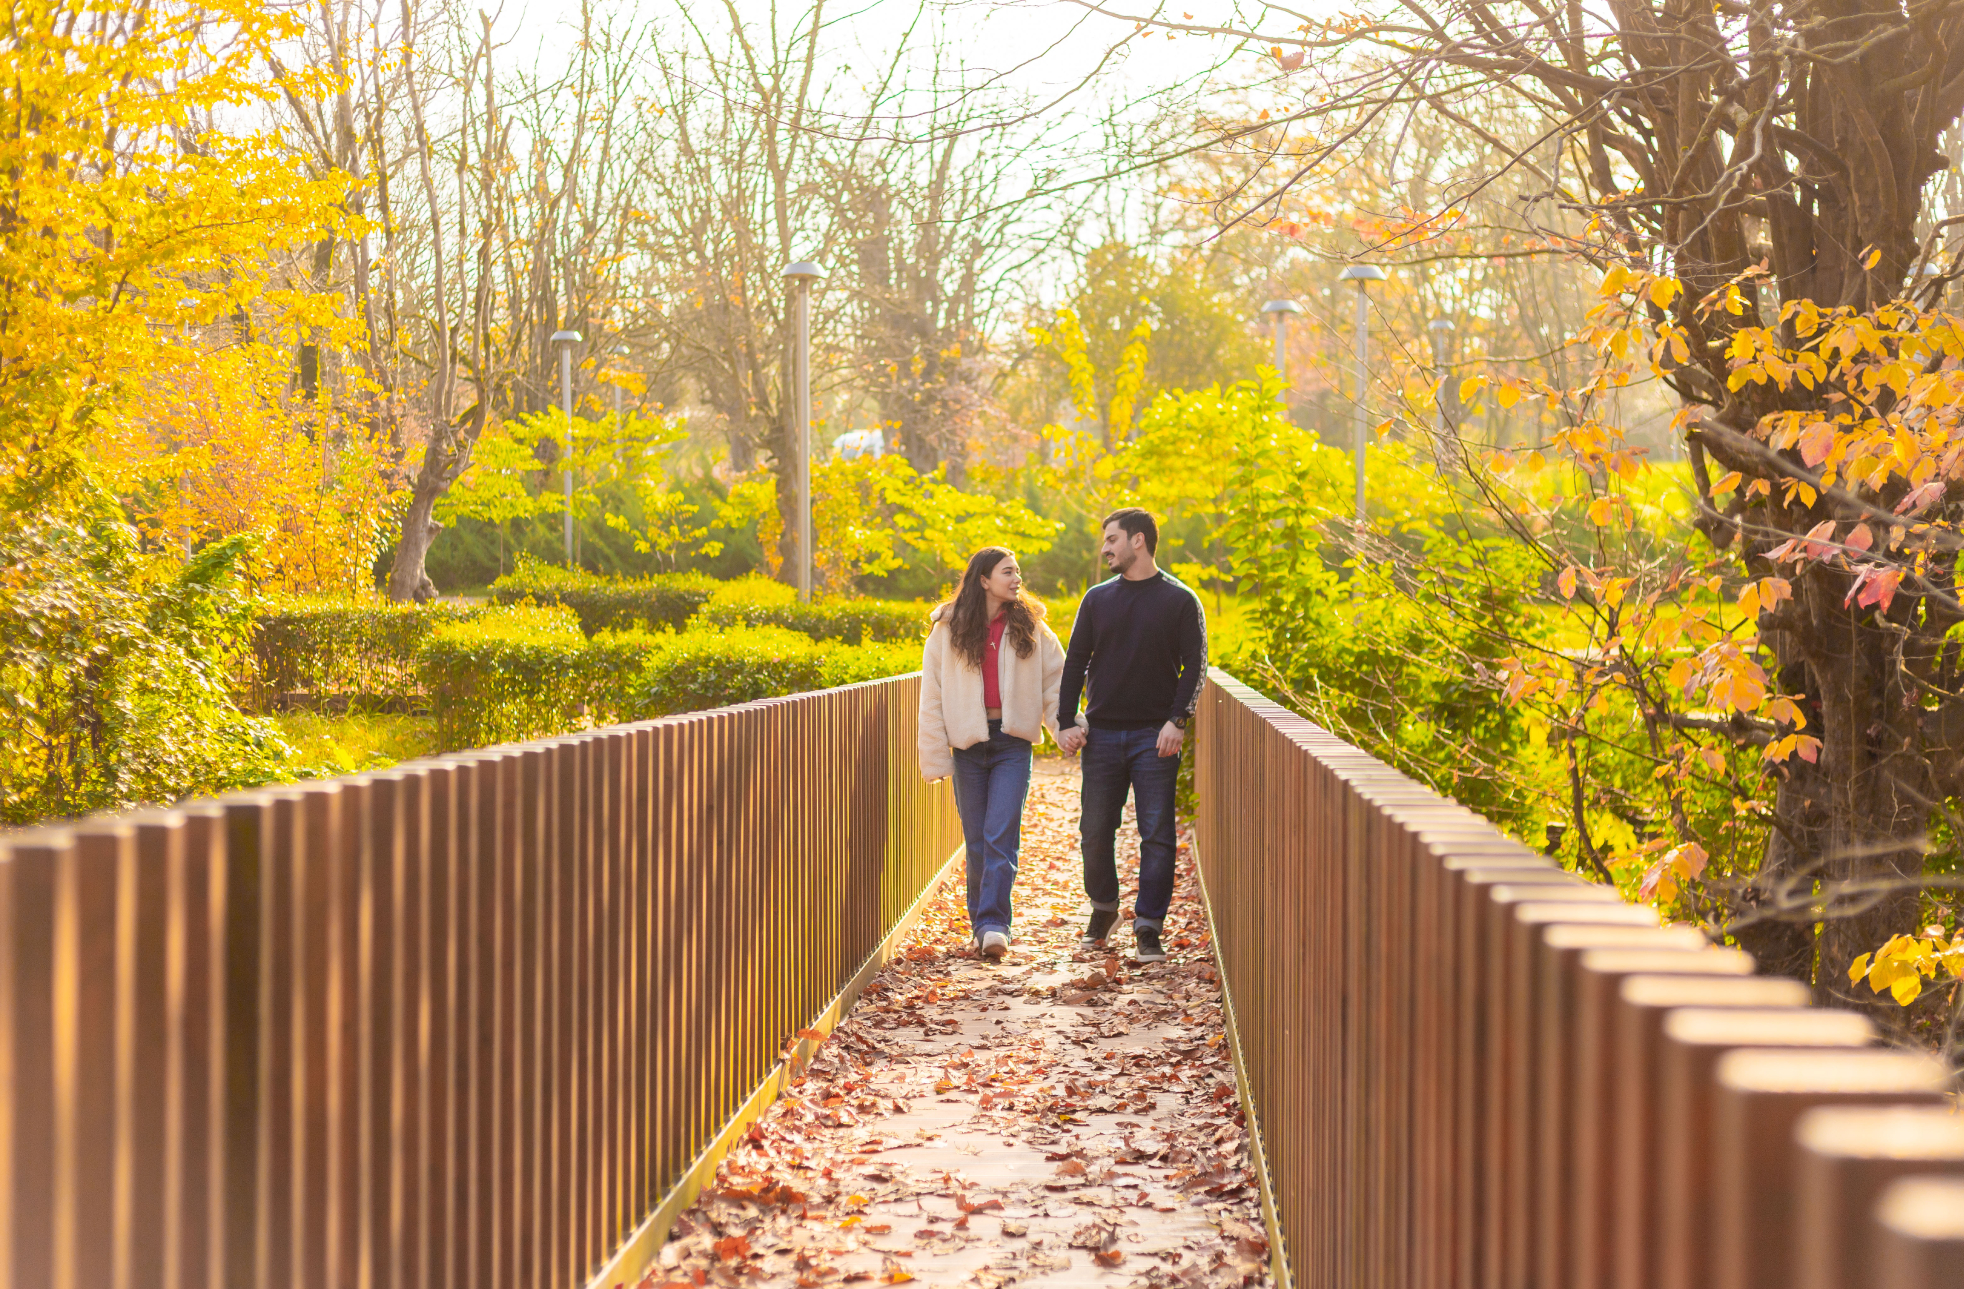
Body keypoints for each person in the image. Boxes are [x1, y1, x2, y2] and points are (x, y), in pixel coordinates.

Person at [1054, 508, 1207, 964]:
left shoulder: (1181, 600)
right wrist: (1066, 720)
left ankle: (1148, 926)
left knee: (1156, 834)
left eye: (1112, 539)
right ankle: (1104, 909)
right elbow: (1075, 661)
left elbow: (1195, 666)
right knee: (1094, 831)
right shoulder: (1097, 599)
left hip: (1153, 737)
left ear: (1138, 541)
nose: (1106, 548)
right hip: (1101, 736)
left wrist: (1177, 720)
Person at [918, 547, 1066, 961]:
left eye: (1019, 570)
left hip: (1012, 744)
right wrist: (934, 755)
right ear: (984, 579)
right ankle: (982, 924)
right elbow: (932, 695)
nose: (1017, 577)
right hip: (968, 747)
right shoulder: (947, 629)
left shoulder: (1031, 627)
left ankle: (994, 924)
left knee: (1001, 834)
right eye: (1007, 571)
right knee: (978, 840)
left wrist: (1065, 728)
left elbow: (1056, 683)